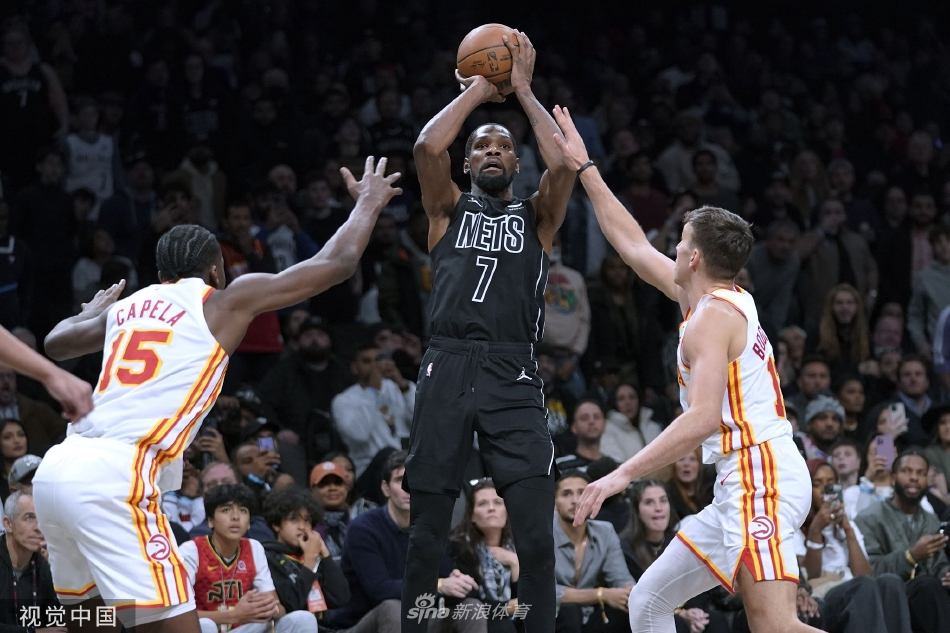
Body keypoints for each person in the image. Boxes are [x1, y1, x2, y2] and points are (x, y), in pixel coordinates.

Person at [31, 156, 402, 632]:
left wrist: (90, 312)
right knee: (172, 623)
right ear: (215, 270)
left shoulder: (127, 308)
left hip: (57, 471)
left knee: (89, 619)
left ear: (162, 273)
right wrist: (368, 203)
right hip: (118, 475)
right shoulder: (223, 301)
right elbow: (337, 264)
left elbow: (55, 343)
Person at [552, 106, 815, 633]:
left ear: (694, 258)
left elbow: (701, 419)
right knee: (648, 602)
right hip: (739, 480)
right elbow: (631, 246)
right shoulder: (714, 297)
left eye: (680, 240)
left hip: (759, 475)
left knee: (775, 627)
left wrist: (622, 473)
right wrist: (585, 169)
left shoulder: (710, 321)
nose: (671, 245)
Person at [401, 31, 575, 633]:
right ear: (468, 163)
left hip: (513, 369)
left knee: (536, 535)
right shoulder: (445, 209)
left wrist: (521, 89)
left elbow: (564, 164)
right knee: (426, 533)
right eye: (482, 146)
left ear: (517, 165)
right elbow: (427, 145)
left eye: (504, 146)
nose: (494, 151)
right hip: (447, 363)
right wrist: (478, 89)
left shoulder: (538, 216)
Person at [179, 483, 317, 633]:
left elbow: (278, 608)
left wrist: (267, 609)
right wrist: (234, 615)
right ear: (210, 521)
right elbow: (178, 616)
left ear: (250, 522)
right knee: (206, 625)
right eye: (226, 510)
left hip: (243, 629)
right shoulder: (191, 550)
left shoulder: (254, 548)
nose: (235, 517)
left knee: (303, 618)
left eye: (243, 510)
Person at [798, 460, 911, 633]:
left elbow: (864, 574)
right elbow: (809, 576)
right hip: (823, 594)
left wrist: (848, 531)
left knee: (891, 582)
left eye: (830, 484)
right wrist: (815, 531)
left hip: (858, 590)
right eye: (817, 484)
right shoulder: (796, 527)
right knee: (862, 586)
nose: (824, 491)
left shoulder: (849, 526)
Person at [853, 450, 950, 633]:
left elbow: (940, 564)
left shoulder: (932, 521)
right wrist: (910, 557)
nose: (914, 478)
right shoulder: (869, 518)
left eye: (921, 473)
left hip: (929, 601)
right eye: (906, 471)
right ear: (893, 477)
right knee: (926, 586)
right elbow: (868, 571)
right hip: (888, 599)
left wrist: (947, 575)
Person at [620, 480, 728, 633]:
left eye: (663, 501)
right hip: (645, 614)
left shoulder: (680, 540)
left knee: (715, 620)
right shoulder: (625, 548)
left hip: (686, 609)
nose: (658, 508)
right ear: (637, 510)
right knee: (678, 623)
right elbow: (638, 596)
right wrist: (681, 613)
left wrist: (695, 611)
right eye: (649, 502)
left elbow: (696, 580)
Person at [553, 471, 634, 633]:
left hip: (592, 616)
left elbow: (621, 579)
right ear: (554, 503)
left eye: (583, 493)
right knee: (569, 612)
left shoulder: (605, 531)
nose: (576, 500)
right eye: (566, 494)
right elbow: (545, 592)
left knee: (630, 611)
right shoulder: (542, 535)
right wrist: (600, 594)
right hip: (553, 616)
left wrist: (631, 593)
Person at [261, 487, 350, 619]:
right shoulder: (267, 557)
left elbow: (342, 598)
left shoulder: (313, 554)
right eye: (294, 519)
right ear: (276, 525)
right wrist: (309, 562)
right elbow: (292, 605)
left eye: (307, 520)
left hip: (327, 626)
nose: (302, 527)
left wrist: (325, 555)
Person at [448, 479, 520, 633]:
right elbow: (469, 601)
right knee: (501, 626)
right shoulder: (459, 547)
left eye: (497, 503)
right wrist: (507, 608)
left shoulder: (517, 547)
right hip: (472, 618)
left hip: (513, 617)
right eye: (483, 504)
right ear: (472, 515)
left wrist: (515, 563)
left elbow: (528, 600)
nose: (491, 508)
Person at [0, 492, 61, 630]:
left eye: (42, 519)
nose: (38, 527)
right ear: (8, 524)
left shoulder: (46, 563)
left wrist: (59, 575)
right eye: (29, 518)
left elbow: (61, 619)